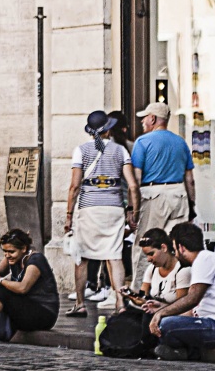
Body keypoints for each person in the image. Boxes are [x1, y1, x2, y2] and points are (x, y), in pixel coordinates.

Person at [65, 111, 139, 317]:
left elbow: (74, 186)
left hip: (89, 208)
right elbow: (132, 185)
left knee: (82, 258)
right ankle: (120, 302)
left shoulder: (81, 151)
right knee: (114, 256)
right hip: (114, 207)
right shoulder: (120, 151)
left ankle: (80, 304)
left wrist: (69, 215)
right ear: (108, 129)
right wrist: (132, 211)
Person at [146, 223, 215, 361]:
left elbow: (192, 299)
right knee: (161, 323)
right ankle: (182, 352)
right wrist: (162, 308)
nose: (175, 254)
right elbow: (191, 308)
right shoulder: (202, 261)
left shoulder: (204, 259)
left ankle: (188, 353)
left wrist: (161, 313)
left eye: (175, 249)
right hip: (211, 324)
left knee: (166, 326)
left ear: (181, 247)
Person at [130, 101, 195, 281]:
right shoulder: (180, 142)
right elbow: (190, 180)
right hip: (178, 194)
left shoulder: (142, 142)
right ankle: (176, 287)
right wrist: (191, 205)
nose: (142, 121)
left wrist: (132, 209)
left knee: (145, 243)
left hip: (153, 195)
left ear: (153, 118)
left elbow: (135, 180)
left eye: (144, 118)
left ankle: (140, 292)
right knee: (175, 244)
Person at [136, 229, 190, 304]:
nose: (148, 259)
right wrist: (132, 296)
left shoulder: (182, 270)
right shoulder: (152, 269)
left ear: (164, 248)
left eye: (151, 254)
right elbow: (142, 296)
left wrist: (158, 307)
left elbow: (180, 306)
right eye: (146, 255)